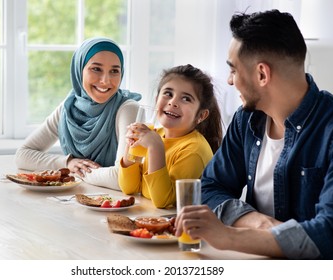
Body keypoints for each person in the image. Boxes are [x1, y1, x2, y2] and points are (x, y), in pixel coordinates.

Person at [175, 10, 333, 259]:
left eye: (233, 70)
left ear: (262, 74)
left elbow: (331, 233)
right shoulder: (247, 119)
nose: (229, 81)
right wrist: (259, 223)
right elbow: (211, 186)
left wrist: (229, 236)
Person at [15, 37, 141, 190]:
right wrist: (67, 163)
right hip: (78, 199)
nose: (105, 81)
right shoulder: (68, 108)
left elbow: (121, 178)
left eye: (114, 71)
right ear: (79, 70)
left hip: (120, 205)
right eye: (96, 69)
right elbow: (22, 155)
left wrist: (76, 172)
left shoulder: (128, 109)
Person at [118, 64, 223, 208]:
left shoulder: (194, 150)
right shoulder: (156, 135)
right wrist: (130, 146)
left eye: (186, 99)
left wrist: (156, 148)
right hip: (148, 217)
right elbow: (129, 187)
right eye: (168, 93)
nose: (173, 102)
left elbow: (165, 201)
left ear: (201, 115)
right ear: (156, 100)